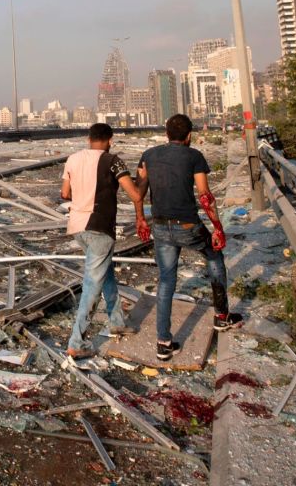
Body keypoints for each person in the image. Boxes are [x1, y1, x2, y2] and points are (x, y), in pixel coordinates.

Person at [136, 114, 244, 362]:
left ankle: (163, 342)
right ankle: (221, 316)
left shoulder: (149, 155)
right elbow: (205, 195)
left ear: (166, 133)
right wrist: (217, 228)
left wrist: (140, 218)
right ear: (189, 136)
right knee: (214, 256)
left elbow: (139, 192)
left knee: (166, 281)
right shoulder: (194, 156)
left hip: (161, 227)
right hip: (188, 225)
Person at [61, 122, 148, 359]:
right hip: (99, 227)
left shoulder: (73, 159)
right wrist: (143, 178)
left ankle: (116, 321)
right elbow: (136, 194)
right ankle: (76, 342)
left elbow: (65, 193)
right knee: (92, 285)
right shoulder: (113, 160)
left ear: (89, 139)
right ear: (110, 140)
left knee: (106, 273)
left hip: (78, 227)